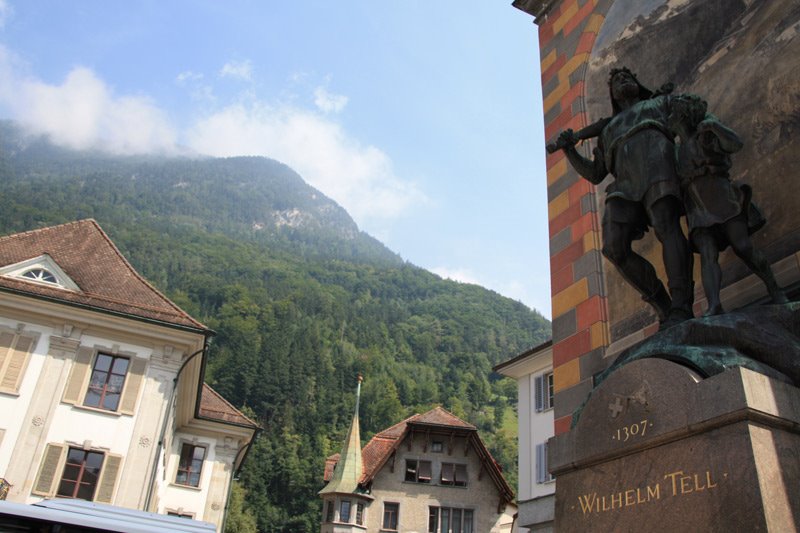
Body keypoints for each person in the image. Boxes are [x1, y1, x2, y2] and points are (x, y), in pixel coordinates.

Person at [556, 67, 693, 328]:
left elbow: (689, 119)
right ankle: (662, 304)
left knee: (668, 227)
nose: (624, 81)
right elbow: (596, 174)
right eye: (618, 80)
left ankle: (682, 305)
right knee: (613, 247)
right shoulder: (608, 130)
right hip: (625, 186)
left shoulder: (658, 103)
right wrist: (569, 151)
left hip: (658, 165)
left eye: (628, 77)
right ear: (612, 94)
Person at [667, 94, 788, 315]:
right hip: (697, 209)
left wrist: (715, 126)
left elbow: (735, 144)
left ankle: (775, 289)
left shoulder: (704, 135)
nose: (670, 118)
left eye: (673, 113)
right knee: (707, 254)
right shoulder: (675, 152)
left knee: (743, 246)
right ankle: (714, 305)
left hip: (722, 199)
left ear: (682, 115)